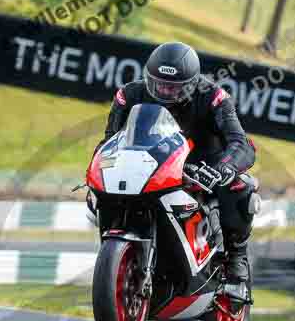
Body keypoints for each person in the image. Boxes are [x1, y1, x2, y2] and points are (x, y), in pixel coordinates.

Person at [93, 41, 257, 300]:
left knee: (241, 186)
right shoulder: (130, 95)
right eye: (159, 84)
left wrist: (222, 168)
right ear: (149, 78)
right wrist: (98, 167)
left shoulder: (214, 98)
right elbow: (110, 140)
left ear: (192, 84)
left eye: (174, 87)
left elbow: (241, 143)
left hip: (202, 167)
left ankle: (237, 263)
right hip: (152, 165)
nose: (165, 91)